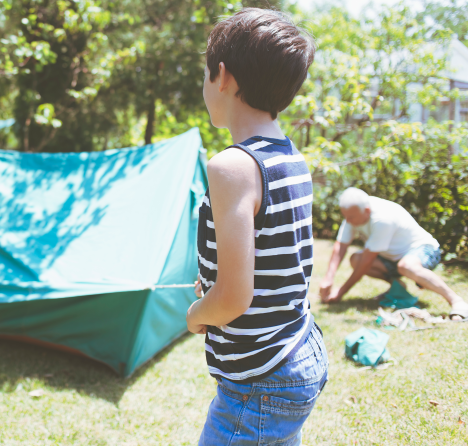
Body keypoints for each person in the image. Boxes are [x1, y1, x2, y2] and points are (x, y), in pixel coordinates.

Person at [185, 8, 327, 446]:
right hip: (298, 351)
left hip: (260, 378)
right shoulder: (290, 157)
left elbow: (233, 298)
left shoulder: (232, 165)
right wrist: (211, 281)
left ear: (222, 76)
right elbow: (275, 257)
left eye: (205, 75)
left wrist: (197, 314)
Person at [319, 187, 468, 320]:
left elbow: (367, 261)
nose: (347, 221)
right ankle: (398, 286)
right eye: (346, 217)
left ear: (367, 211)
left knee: (406, 266)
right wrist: (328, 278)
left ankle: (456, 300)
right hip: (392, 259)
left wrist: (341, 292)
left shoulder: (382, 218)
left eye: (351, 217)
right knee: (355, 259)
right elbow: (341, 246)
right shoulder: (354, 213)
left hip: (424, 249)